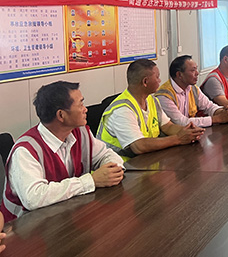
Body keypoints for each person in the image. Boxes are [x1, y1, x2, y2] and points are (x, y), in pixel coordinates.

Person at [1, 81, 124, 222]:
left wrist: (111, 170)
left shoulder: (80, 132)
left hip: (67, 217)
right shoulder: (25, 150)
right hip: (24, 227)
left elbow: (105, 155)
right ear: (61, 115)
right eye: (80, 105)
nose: (85, 109)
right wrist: (91, 181)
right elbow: (34, 198)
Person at [97, 59, 204, 158]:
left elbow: (167, 126)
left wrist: (188, 132)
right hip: (120, 167)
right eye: (157, 77)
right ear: (145, 82)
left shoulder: (151, 100)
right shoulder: (122, 110)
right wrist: (178, 139)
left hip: (146, 161)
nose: (160, 80)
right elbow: (139, 146)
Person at [156, 55, 228, 128]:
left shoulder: (193, 88)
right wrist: (216, 119)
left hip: (190, 133)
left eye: (196, 69)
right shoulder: (164, 96)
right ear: (179, 75)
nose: (197, 73)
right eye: (193, 70)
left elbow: (209, 106)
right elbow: (181, 122)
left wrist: (223, 112)